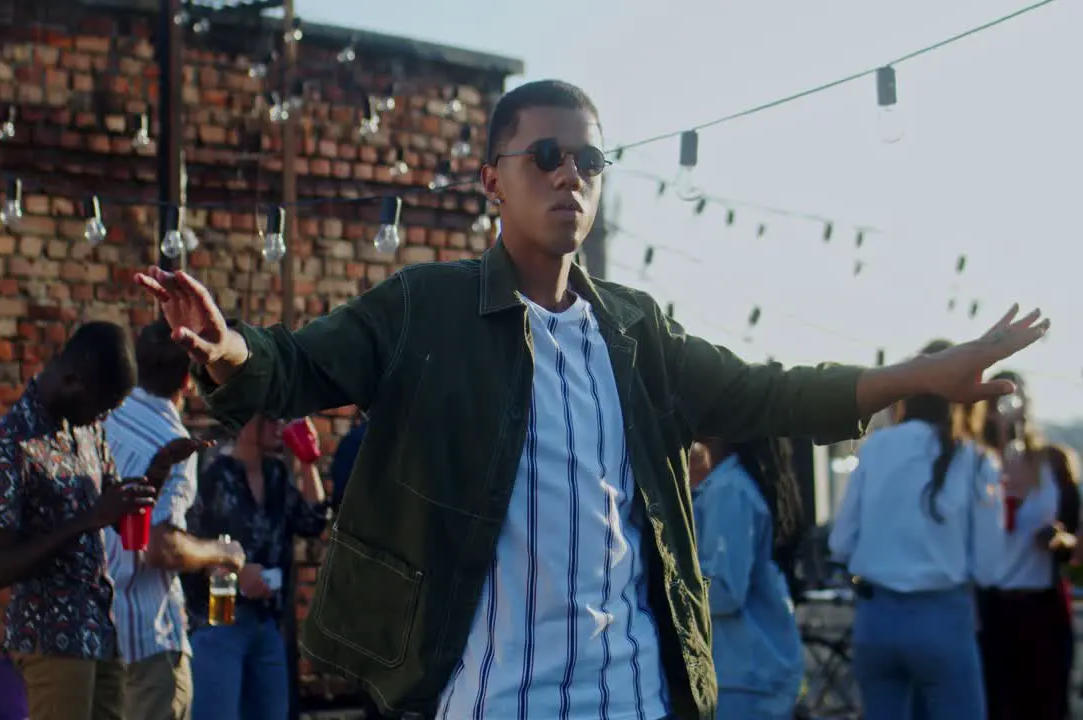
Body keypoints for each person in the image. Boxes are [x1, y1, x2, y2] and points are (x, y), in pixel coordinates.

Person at [134, 79, 1049, 719]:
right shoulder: (429, 308)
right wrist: (226, 347)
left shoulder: (636, 330)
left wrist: (924, 377)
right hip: (494, 697)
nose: (570, 172)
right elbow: (292, 367)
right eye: (544, 154)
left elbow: (766, 393)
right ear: (492, 178)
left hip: (640, 694)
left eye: (589, 158)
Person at [0, 321, 201, 720]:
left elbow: (115, 513)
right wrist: (87, 520)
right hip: (52, 639)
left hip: (101, 630)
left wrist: (157, 473)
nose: (105, 417)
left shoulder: (85, 429)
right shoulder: (13, 443)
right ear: (73, 380)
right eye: (103, 405)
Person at [828, 340, 1004, 720]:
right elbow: (991, 567)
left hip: (876, 618)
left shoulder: (874, 448)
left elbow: (840, 541)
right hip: (943, 618)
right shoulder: (974, 460)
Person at [101, 319, 246, 720]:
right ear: (189, 378)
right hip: (148, 640)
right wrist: (223, 552)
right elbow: (161, 548)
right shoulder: (174, 442)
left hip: (93, 640)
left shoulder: (102, 417)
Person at [184, 414, 328, 720]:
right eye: (272, 418)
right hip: (219, 620)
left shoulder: (275, 475)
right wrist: (236, 573)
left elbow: (313, 521)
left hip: (267, 622)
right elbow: (187, 546)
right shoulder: (212, 475)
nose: (281, 426)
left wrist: (308, 461)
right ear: (246, 423)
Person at [977, 372, 1079, 720]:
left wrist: (1058, 538)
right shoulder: (975, 463)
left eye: (1016, 397)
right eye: (999, 400)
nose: (1009, 408)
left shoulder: (1052, 463)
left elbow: (1074, 539)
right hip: (992, 609)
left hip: (1042, 607)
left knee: (1046, 706)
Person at [688, 437, 806, 719]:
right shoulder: (733, 482)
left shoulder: (729, 488)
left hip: (742, 675)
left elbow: (725, 590)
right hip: (750, 672)